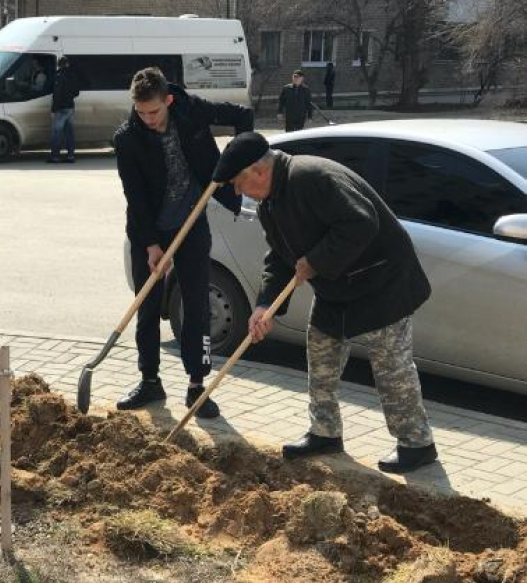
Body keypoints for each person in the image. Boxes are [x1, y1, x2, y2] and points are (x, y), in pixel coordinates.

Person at [212, 132, 438, 473]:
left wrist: (316, 261)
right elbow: (280, 256)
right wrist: (264, 305)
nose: (238, 192)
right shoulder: (270, 201)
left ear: (258, 170)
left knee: (391, 368)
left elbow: (361, 222)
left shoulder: (313, 178)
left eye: (239, 183)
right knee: (320, 355)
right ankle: (325, 433)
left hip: (381, 283)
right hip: (337, 288)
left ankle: (417, 444)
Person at [113, 67, 254, 419]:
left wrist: (238, 166)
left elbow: (242, 116)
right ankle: (149, 380)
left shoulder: (192, 111)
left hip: (191, 224)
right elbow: (136, 198)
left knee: (195, 303)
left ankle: (196, 386)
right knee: (147, 306)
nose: (147, 119)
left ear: (169, 100)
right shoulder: (128, 138)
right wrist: (150, 245)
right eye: (141, 112)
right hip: (150, 229)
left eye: (154, 111)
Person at [47, 56, 80, 163]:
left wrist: (53, 109)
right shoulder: (73, 75)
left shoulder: (58, 76)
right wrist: (69, 96)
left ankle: (55, 156)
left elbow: (57, 95)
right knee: (69, 132)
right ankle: (71, 156)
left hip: (61, 108)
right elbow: (76, 92)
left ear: (58, 64)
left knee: (57, 133)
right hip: (70, 107)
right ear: (67, 64)